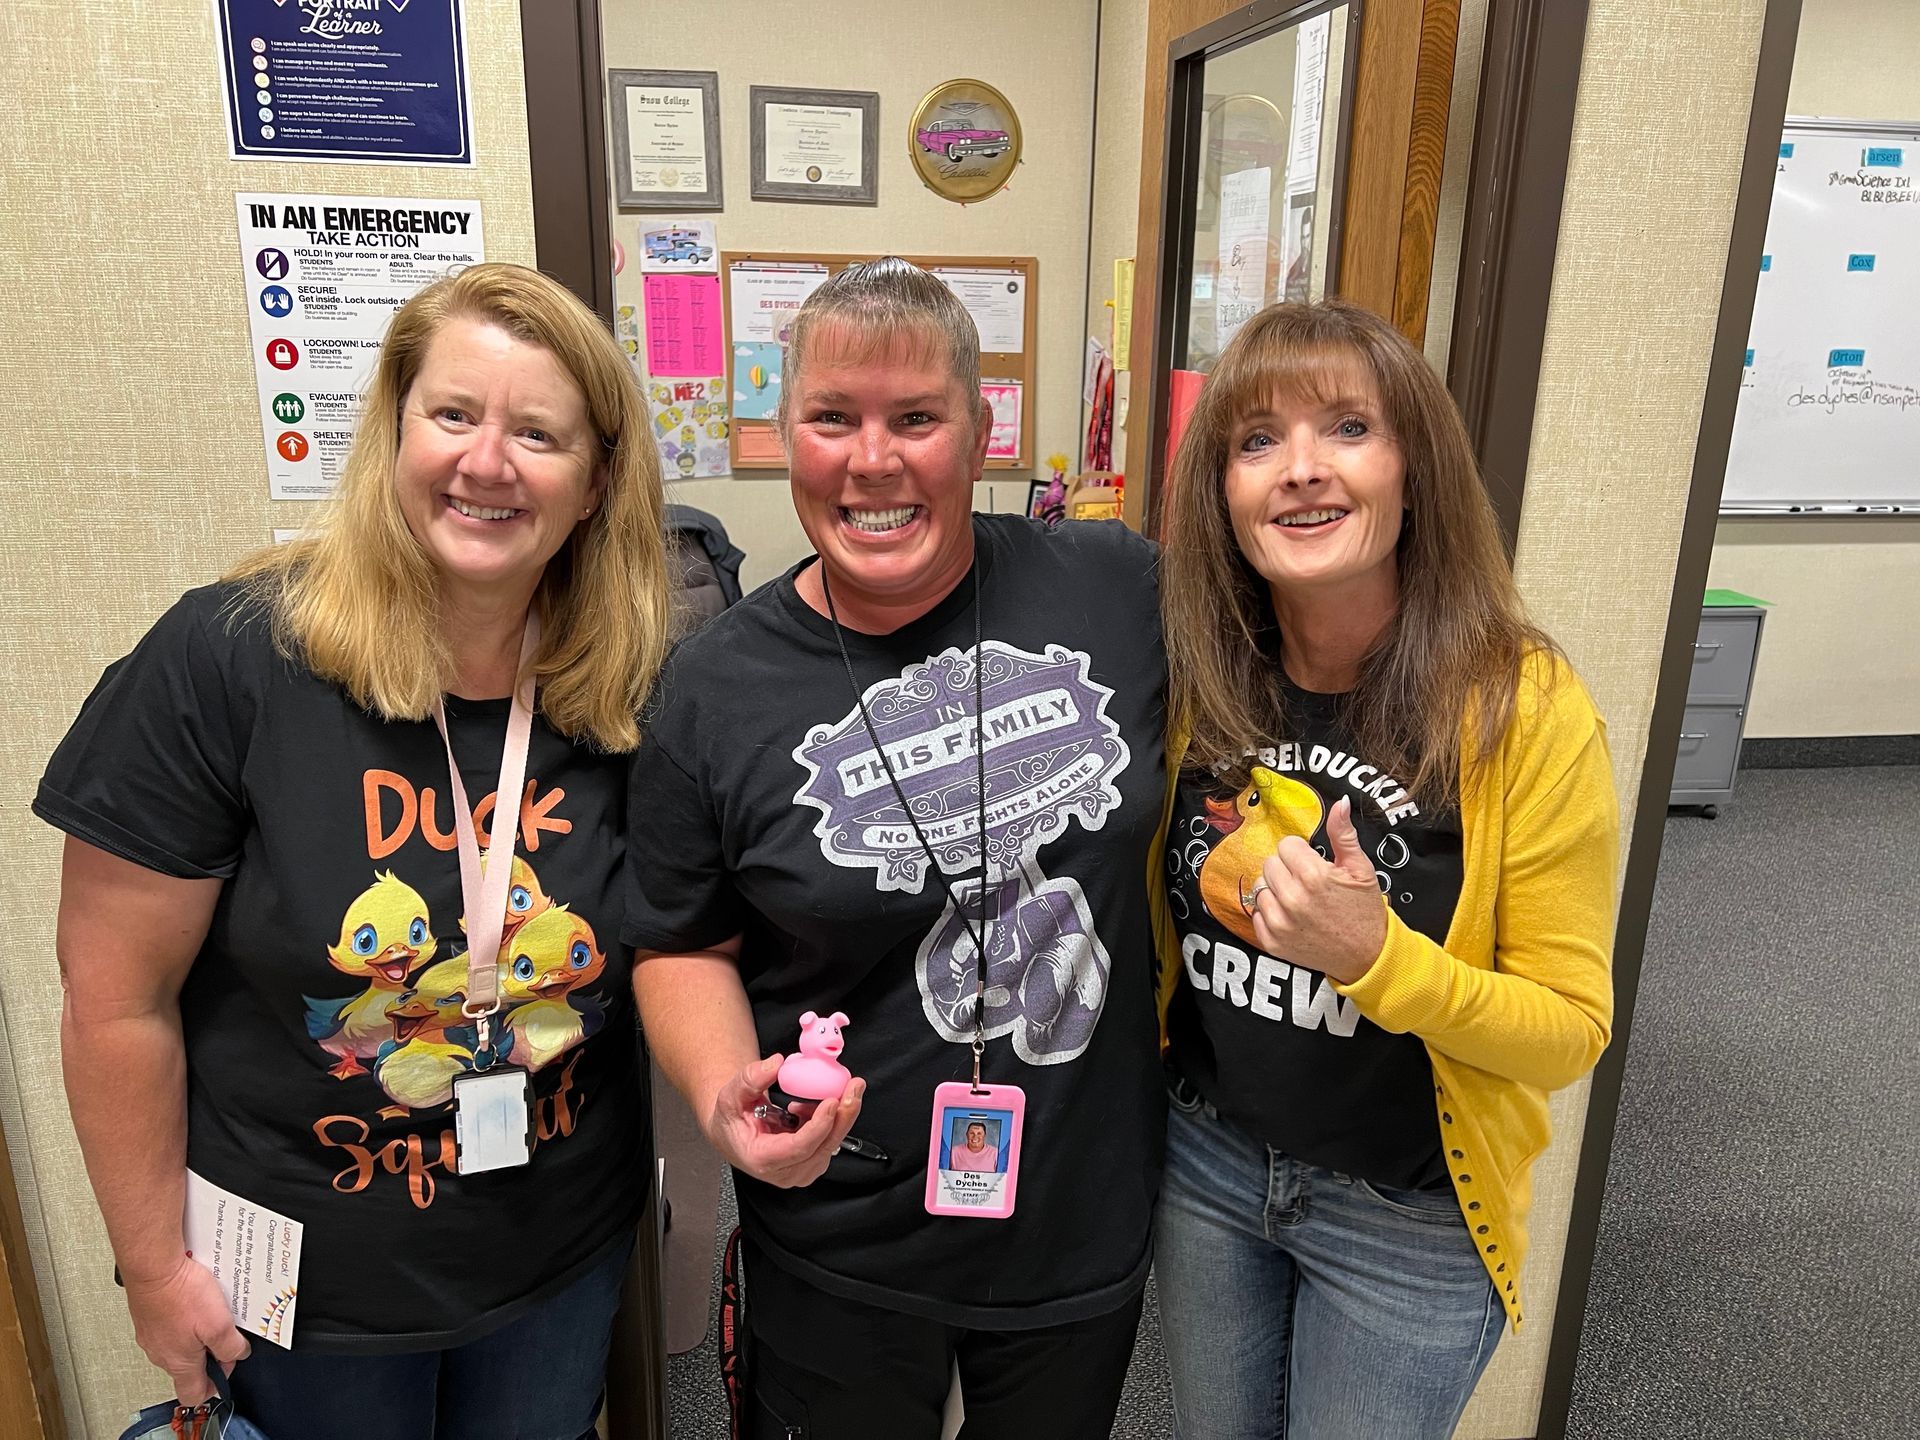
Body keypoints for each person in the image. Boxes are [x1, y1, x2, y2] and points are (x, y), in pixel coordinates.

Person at [37, 263, 672, 1438]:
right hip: (303, 1287)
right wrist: (150, 1269)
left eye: (539, 433)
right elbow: (114, 1001)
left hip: (559, 1256)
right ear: (392, 435)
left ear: (594, 486)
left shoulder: (629, 692)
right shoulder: (228, 661)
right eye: (453, 416)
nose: (488, 463)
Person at [625, 258, 1167, 1438]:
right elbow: (678, 944)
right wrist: (727, 1104)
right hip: (843, 1230)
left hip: (1078, 1222)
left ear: (980, 431)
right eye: (833, 418)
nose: (874, 461)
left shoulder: (1116, 587)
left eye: (916, 417)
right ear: (786, 436)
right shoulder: (714, 688)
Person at [1153, 299, 1618, 1438]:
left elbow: (1569, 1029)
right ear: (1222, 493)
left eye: (1347, 428)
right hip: (1207, 1166)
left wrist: (1380, 961)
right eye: (1256, 442)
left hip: (1407, 1219)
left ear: (1416, 468)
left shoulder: (1523, 706)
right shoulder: (1198, 680)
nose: (1300, 471)